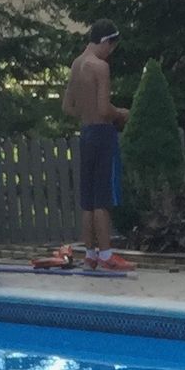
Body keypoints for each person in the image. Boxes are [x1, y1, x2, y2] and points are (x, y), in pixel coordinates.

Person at [61, 22, 131, 269]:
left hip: (86, 132)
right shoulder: (100, 67)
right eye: (111, 46)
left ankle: (90, 254)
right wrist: (121, 113)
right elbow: (103, 109)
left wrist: (85, 112)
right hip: (102, 133)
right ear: (105, 41)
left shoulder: (77, 64)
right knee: (103, 197)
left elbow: (67, 107)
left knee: (88, 199)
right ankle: (106, 255)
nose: (110, 52)